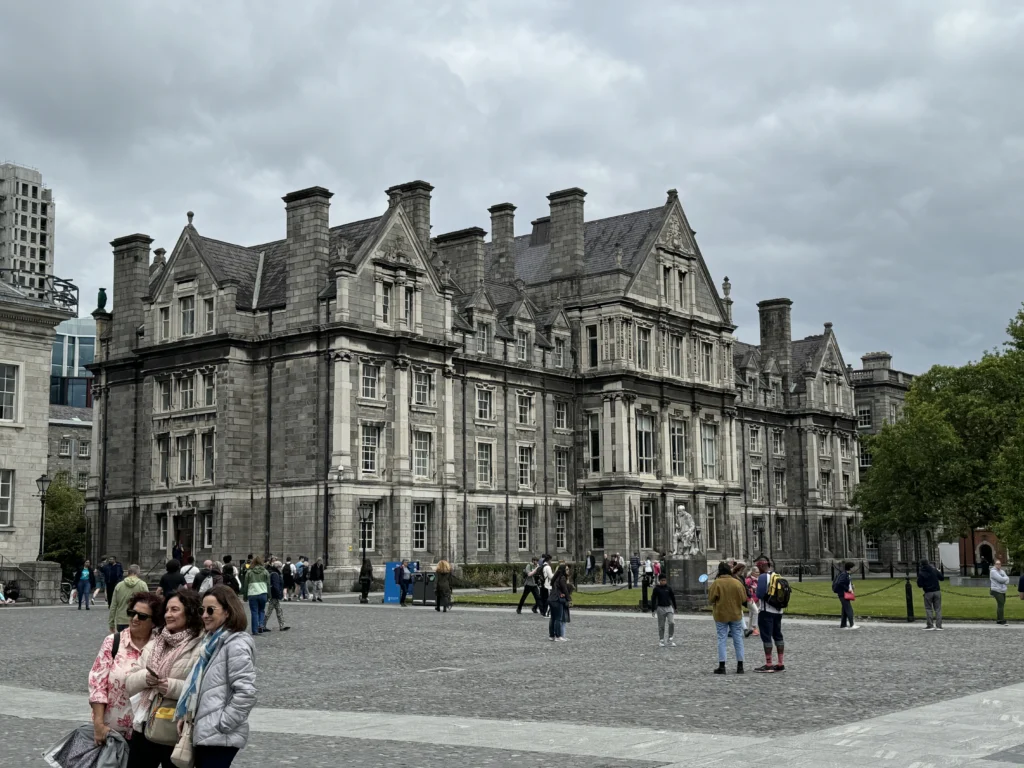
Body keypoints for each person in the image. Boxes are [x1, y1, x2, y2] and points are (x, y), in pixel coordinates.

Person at [174, 585, 256, 768]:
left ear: (228, 612)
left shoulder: (236, 644)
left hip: (219, 735)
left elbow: (246, 692)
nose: (204, 615)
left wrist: (223, 724)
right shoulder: (211, 642)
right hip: (206, 731)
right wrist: (188, 717)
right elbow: (201, 687)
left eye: (211, 610)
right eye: (201, 610)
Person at [125, 590, 204, 767]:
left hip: (176, 730)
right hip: (145, 724)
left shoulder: (201, 646)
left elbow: (203, 688)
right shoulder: (155, 643)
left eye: (175, 609)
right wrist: (146, 677)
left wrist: (171, 687)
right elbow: (129, 683)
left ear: (190, 611)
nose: (169, 614)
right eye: (167, 610)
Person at [89, 592, 164, 745]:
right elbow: (97, 684)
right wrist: (98, 725)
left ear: (154, 622)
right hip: (112, 731)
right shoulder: (113, 642)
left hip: (147, 733)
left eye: (142, 616)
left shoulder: (160, 646)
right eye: (132, 613)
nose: (135, 618)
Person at [709, 561, 747, 674]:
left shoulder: (717, 583)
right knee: (738, 639)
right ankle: (740, 666)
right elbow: (744, 598)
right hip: (735, 614)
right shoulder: (737, 583)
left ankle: (722, 665)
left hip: (721, 614)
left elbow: (711, 599)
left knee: (722, 639)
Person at [754, 557, 785, 673]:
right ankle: (780, 663)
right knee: (778, 635)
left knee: (766, 636)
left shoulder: (763, 577)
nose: (758, 570)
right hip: (779, 611)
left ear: (762, 566)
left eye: (758, 567)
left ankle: (768, 664)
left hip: (766, 610)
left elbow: (760, 594)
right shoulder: (778, 575)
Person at [109, 564, 150, 633]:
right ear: (137, 572)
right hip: (138, 619)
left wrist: (111, 623)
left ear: (128, 573)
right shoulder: (142, 585)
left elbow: (113, 606)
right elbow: (148, 603)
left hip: (121, 620)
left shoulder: (119, 586)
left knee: (123, 642)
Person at [242, 556, 269, 636]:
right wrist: (269, 595)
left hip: (252, 593)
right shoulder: (265, 571)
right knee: (262, 610)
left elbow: (246, 584)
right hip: (263, 593)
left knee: (254, 612)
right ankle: (261, 625)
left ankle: (255, 630)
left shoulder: (249, 572)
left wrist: (245, 595)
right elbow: (268, 584)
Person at [917, 558, 945, 630]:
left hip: (928, 592)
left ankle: (930, 625)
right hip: (937, 591)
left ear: (921, 565)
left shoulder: (921, 572)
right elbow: (942, 578)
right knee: (938, 609)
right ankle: (939, 626)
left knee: (928, 609)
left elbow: (919, 584)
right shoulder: (934, 570)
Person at [650, 573, 677, 647]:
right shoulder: (656, 589)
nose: (663, 582)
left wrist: (675, 607)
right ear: (659, 581)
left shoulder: (669, 588)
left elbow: (672, 597)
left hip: (669, 607)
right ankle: (661, 639)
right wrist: (653, 609)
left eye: (665, 580)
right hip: (660, 608)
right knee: (661, 625)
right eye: (662, 580)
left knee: (671, 622)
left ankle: (670, 639)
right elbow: (653, 599)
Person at [263, 561, 289, 632]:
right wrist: (278, 594)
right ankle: (263, 625)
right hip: (274, 595)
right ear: (278, 567)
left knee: (278, 610)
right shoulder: (275, 574)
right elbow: (276, 585)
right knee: (270, 611)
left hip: (274, 594)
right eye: (280, 567)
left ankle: (281, 625)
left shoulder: (273, 572)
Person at [548, 563, 570, 642]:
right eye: (566, 569)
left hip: (551, 598)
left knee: (553, 618)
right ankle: (558, 636)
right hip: (557, 599)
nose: (568, 571)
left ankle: (551, 635)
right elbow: (565, 589)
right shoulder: (562, 578)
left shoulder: (555, 577)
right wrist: (569, 599)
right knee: (558, 618)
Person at [833, 561, 858, 630]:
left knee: (845, 610)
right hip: (843, 594)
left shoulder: (846, 574)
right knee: (849, 609)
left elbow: (845, 582)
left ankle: (843, 625)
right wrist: (847, 589)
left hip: (844, 593)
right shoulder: (844, 574)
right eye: (853, 567)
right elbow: (839, 583)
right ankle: (852, 624)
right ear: (850, 568)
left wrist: (851, 586)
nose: (854, 568)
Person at [991, 558, 1010, 625]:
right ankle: (1001, 619)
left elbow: (1007, 580)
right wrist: (1005, 579)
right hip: (996, 590)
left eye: (999, 564)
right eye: (997, 564)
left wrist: (1005, 579)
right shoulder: (993, 571)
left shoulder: (1002, 571)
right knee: (1001, 604)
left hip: (1002, 590)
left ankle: (999, 619)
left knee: (1001, 604)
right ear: (994, 564)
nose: (999, 565)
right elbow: (1000, 579)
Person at [743, 567, 760, 638]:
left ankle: (749, 629)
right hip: (751, 599)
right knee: (756, 612)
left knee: (751, 615)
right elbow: (745, 588)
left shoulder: (757, 580)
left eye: (758, 572)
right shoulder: (749, 580)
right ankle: (754, 628)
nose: (758, 573)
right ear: (752, 572)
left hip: (756, 599)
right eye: (756, 572)